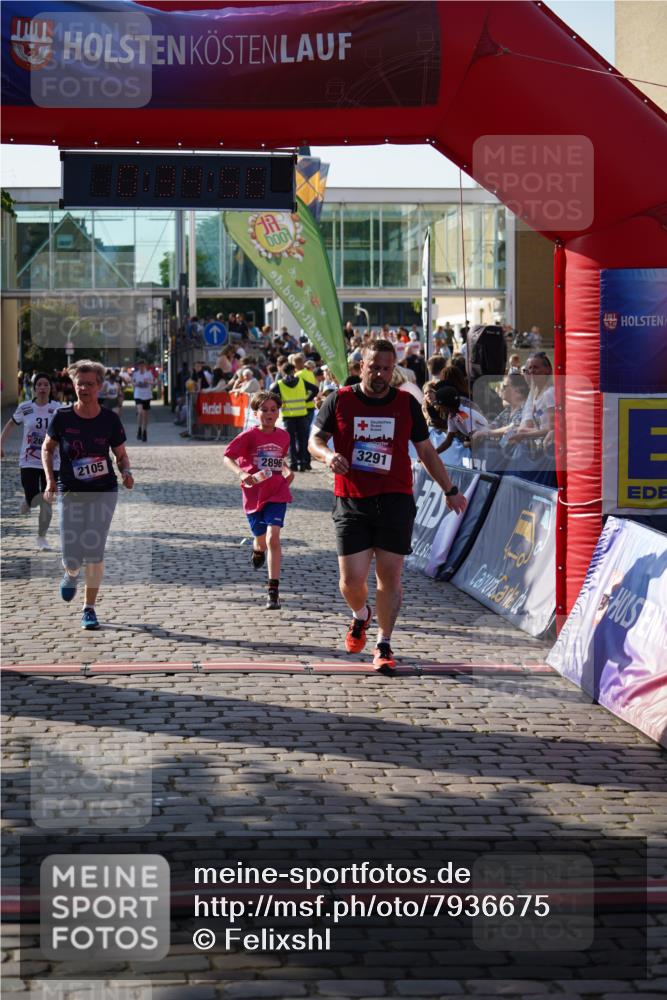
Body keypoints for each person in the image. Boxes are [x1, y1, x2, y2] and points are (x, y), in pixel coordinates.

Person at [308, 339, 467, 671]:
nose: (379, 374)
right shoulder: (340, 400)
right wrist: (328, 456)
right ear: (361, 366)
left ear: (393, 368)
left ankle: (383, 643)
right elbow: (315, 440)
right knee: (351, 582)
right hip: (352, 500)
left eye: (385, 368)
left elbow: (425, 452)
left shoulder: (406, 404)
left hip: (395, 499)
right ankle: (360, 614)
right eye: (373, 367)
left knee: (389, 577)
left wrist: (450, 489)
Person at [42, 360, 134, 630]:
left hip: (104, 491)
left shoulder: (109, 420)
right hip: (71, 491)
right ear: (73, 385)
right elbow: (48, 449)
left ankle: (89, 608)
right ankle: (71, 573)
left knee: (94, 550)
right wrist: (50, 480)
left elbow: (120, 455)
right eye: (79, 383)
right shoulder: (62, 417)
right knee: (72, 554)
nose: (84, 388)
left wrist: (126, 472)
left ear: (99, 386)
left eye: (89, 384)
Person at [223, 391, 294, 610]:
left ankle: (273, 591)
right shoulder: (248, 436)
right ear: (255, 413)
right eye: (264, 410)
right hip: (254, 495)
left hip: (277, 492)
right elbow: (227, 457)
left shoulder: (284, 436)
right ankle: (257, 549)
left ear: (278, 412)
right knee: (262, 541)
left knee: (274, 537)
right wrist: (242, 474)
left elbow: (279, 461)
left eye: (273, 409)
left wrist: (287, 470)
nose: (269, 414)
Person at [0, 372, 61, 550]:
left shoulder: (58, 408)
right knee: (33, 497)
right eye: (39, 385)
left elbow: (67, 430)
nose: (42, 388)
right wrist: (1, 444)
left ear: (50, 388)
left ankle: (42, 537)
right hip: (29, 460)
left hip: (52, 460)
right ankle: (28, 500)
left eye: (46, 384)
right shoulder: (25, 407)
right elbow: (10, 424)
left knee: (47, 499)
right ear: (34, 388)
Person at [270, 362, 316, 472]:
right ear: (294, 370)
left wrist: (279, 403)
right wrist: (307, 399)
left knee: (290, 441)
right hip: (302, 414)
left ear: (282, 371)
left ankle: (293, 463)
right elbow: (315, 389)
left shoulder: (280, 383)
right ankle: (303, 463)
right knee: (303, 440)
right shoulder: (300, 381)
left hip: (288, 416)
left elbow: (270, 394)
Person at [132, 359, 155, 442]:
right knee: (140, 411)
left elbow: (153, 383)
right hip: (138, 395)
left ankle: (144, 431)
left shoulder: (148, 373)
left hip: (147, 395)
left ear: (145, 366)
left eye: (143, 365)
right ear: (138, 366)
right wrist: (136, 384)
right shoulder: (135, 374)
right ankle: (139, 428)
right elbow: (133, 383)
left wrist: (148, 381)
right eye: (140, 366)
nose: (141, 367)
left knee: (145, 415)